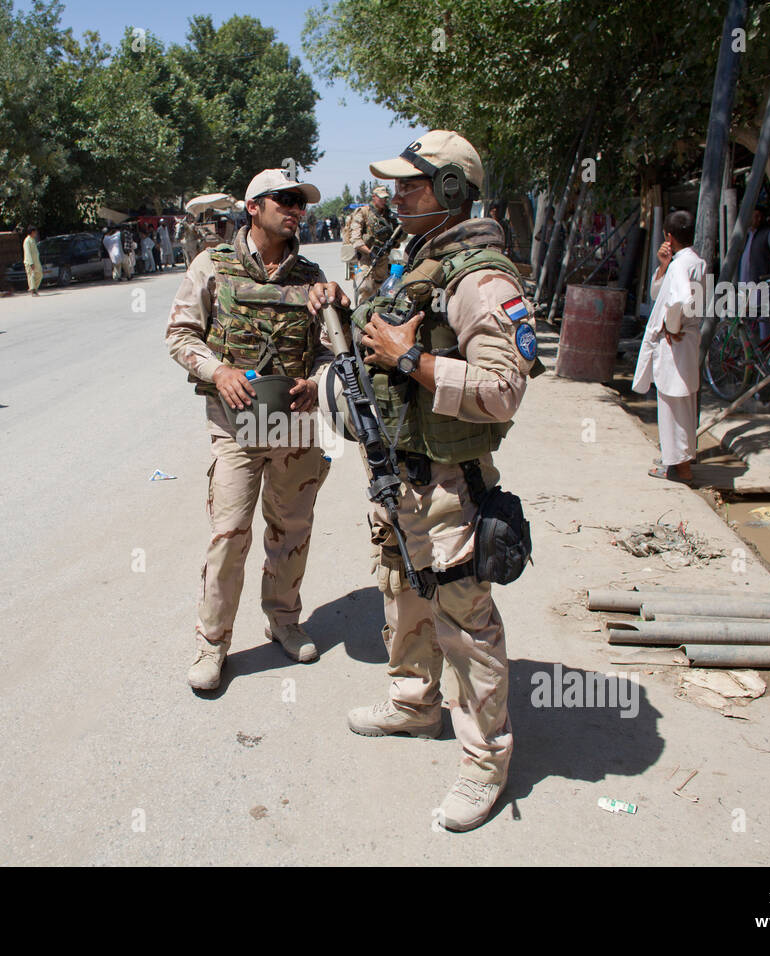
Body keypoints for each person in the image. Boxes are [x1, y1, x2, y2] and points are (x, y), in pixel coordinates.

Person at [343, 130, 537, 832]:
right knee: (399, 590)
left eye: (412, 185)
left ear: (452, 190)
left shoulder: (483, 278)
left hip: (452, 486)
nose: (397, 196)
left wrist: (412, 363)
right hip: (403, 475)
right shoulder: (420, 261)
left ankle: (486, 763)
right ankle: (414, 702)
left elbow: (504, 390)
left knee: (466, 621)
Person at [165, 168, 349, 692]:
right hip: (236, 426)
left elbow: (331, 348)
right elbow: (179, 335)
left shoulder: (313, 278)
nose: (295, 209)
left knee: (291, 529)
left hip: (294, 426)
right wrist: (217, 371)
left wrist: (317, 381)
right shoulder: (212, 266)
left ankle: (284, 619)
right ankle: (211, 643)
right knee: (229, 534)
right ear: (253, 207)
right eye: (284, 200)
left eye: (300, 202)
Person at [633, 209, 706, 484]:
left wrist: (671, 326)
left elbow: (679, 299)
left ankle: (680, 468)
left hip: (675, 340)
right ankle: (678, 459)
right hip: (686, 340)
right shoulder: (693, 262)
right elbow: (659, 292)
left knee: (672, 404)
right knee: (682, 402)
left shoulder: (680, 266)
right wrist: (663, 264)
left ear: (669, 236)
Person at [739, 205, 770, 340]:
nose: (757, 219)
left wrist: (769, 269)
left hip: (764, 285)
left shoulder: (769, 234)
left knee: (766, 321)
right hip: (749, 286)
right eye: (754, 216)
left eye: (759, 216)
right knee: (751, 321)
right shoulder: (748, 236)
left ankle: (768, 352)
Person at [346, 185, 402, 302]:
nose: (384, 201)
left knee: (384, 290)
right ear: (374, 197)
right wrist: (370, 252)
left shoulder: (389, 215)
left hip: (383, 258)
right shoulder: (363, 212)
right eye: (381, 198)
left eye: (385, 198)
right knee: (365, 288)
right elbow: (355, 239)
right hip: (366, 257)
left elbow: (399, 236)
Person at [22, 226, 42, 296]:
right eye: (35, 232)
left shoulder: (32, 240)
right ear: (32, 232)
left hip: (36, 261)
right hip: (30, 262)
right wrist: (31, 263)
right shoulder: (27, 241)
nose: (36, 233)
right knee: (31, 276)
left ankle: (34, 288)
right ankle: (33, 290)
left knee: (39, 274)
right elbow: (27, 253)